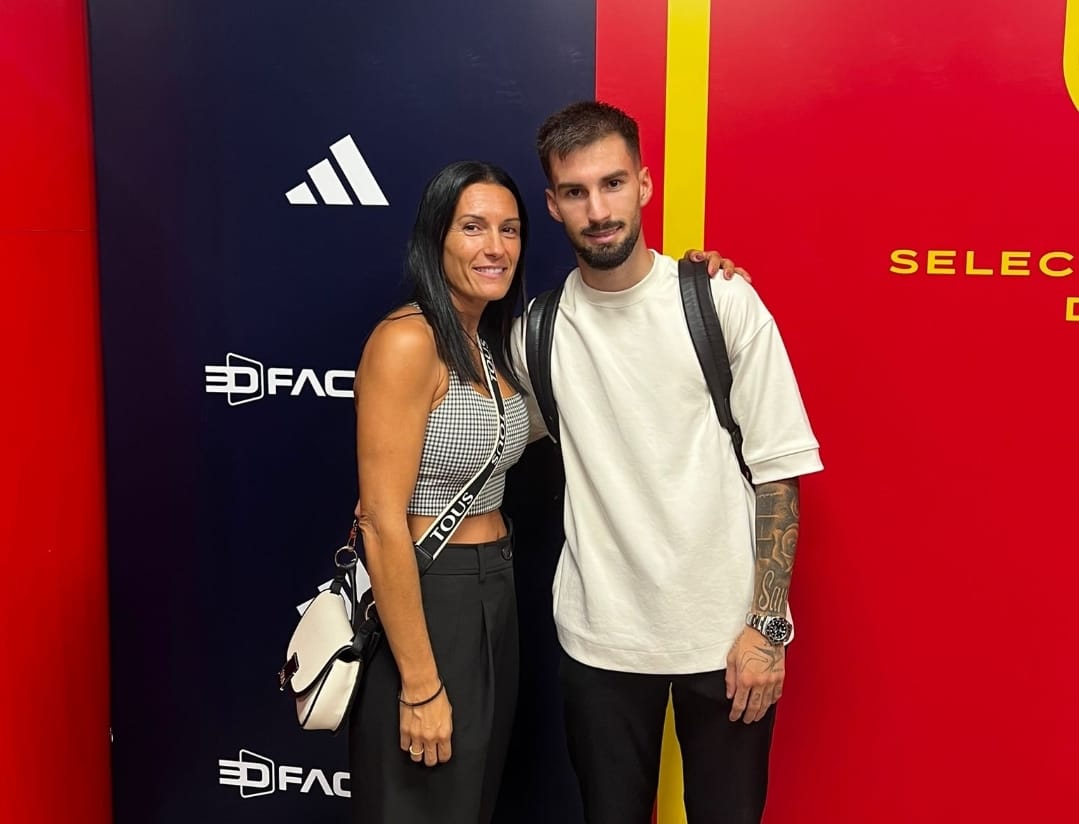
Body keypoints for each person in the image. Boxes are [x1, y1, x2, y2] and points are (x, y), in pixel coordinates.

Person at [348, 158, 739, 824]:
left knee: (465, 797)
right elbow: (382, 521)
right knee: (419, 801)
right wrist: (418, 684)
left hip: (492, 595)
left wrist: (691, 285)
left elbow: (584, 400)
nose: (494, 247)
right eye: (472, 228)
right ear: (435, 237)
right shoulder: (407, 342)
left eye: (509, 229)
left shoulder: (497, 342)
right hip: (427, 592)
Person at [509, 100, 824, 823]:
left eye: (612, 184)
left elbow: (778, 472)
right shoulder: (537, 330)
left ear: (644, 185)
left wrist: (765, 628)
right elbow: (483, 437)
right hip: (601, 641)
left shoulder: (720, 301)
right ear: (553, 205)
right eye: (577, 192)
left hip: (727, 639)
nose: (598, 209)